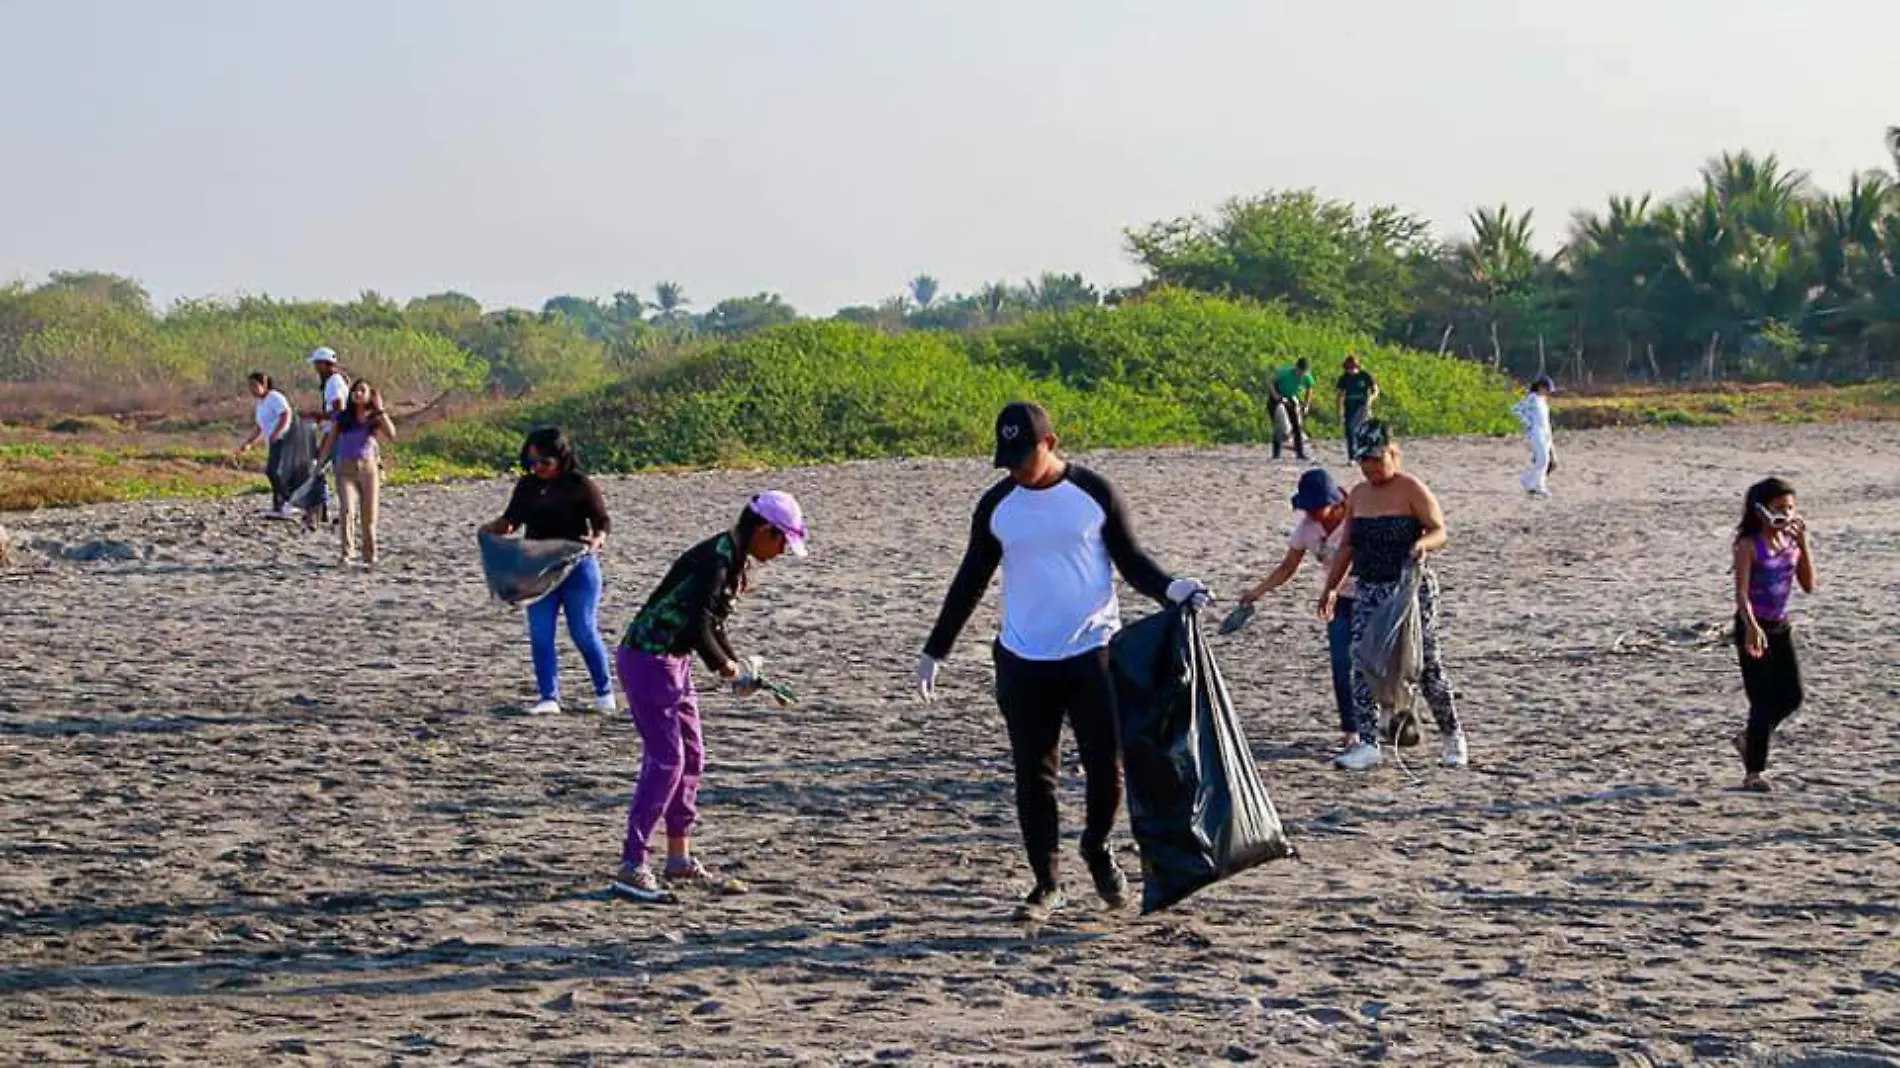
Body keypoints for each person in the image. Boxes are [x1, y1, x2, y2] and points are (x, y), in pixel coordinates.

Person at [914, 402, 1211, 920]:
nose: (1017, 468)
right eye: (1008, 458)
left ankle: (1096, 847)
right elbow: (971, 578)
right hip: (1023, 659)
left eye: (1024, 455)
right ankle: (1046, 884)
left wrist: (1171, 588)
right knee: (1034, 776)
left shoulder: (1093, 493)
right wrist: (935, 648)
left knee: (1106, 769)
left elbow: (1131, 560)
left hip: (1093, 653)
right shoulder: (997, 506)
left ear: (1050, 444)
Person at [609, 491, 810, 901]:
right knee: (666, 761)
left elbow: (713, 625)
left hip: (673, 662)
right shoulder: (716, 561)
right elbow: (699, 623)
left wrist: (739, 668)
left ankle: (678, 857)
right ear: (762, 530)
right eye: (782, 541)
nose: (782, 551)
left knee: (692, 755)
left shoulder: (731, 559)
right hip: (648, 660)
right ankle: (633, 864)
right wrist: (725, 669)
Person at [1316, 422, 1468, 771]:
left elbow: (1439, 531)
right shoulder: (1358, 495)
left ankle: (1452, 735)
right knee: (1363, 663)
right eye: (1362, 461)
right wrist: (1331, 589)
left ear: (1392, 453)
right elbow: (1348, 546)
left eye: (1374, 458)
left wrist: (1420, 544)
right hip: (1369, 588)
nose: (1369, 467)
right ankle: (1369, 743)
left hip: (1408, 589)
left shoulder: (1410, 488)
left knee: (1424, 664)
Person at [479, 427, 616, 716]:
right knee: (541, 634)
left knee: (583, 630)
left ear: (560, 458)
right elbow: (511, 521)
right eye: (531, 462)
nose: (537, 468)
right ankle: (548, 696)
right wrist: (490, 530)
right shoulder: (527, 486)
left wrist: (598, 539)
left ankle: (604, 692)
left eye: (544, 462)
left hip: (576, 565)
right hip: (537, 567)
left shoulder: (579, 484)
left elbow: (601, 520)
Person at [1237, 469, 1356, 748]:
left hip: (1371, 594)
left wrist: (1331, 589)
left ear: (1335, 501)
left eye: (1318, 507)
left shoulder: (1355, 520)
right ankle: (1352, 728)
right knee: (1341, 662)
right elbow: (1288, 567)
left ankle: (1387, 714)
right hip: (1337, 601)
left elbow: (1354, 559)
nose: (1313, 513)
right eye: (1308, 507)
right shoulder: (1306, 529)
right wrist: (1257, 591)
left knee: (1374, 661)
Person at [1730, 478, 1814, 793]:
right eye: (1779, 509)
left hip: (1780, 626)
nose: (1786, 515)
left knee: (1791, 696)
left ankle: (1749, 740)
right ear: (1760, 510)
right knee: (1761, 701)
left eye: (1791, 508)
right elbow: (1741, 593)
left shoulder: (1791, 544)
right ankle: (1754, 771)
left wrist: (1804, 544)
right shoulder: (1749, 545)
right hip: (1753, 626)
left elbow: (1809, 585)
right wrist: (1751, 626)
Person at [314, 379, 396, 566]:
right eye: (355, 391)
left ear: (369, 395)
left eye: (362, 391)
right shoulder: (343, 417)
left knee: (369, 514)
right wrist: (319, 463)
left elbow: (392, 435)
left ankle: (369, 553)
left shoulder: (374, 418)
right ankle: (346, 553)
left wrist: (380, 410)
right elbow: (330, 441)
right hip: (345, 468)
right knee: (347, 510)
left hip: (368, 468)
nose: (358, 394)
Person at [234, 372, 295, 515]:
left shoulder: (274, 397)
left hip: (283, 439)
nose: (252, 389)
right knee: (274, 472)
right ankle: (279, 505)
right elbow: (260, 426)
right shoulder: (261, 404)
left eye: (254, 385)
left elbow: (286, 414)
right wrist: (248, 443)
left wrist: (277, 432)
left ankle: (287, 501)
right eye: (250, 386)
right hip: (273, 441)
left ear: (264, 384)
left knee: (274, 471)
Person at [306, 347, 350, 524]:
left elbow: (338, 410)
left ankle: (322, 509)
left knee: (319, 468)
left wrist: (316, 416)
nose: (316, 368)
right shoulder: (333, 382)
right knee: (322, 469)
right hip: (334, 431)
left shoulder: (333, 382)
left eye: (317, 364)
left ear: (326, 364)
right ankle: (322, 509)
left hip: (336, 433)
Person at [1513, 375, 1555, 497]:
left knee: (1545, 460)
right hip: (1536, 432)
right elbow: (1515, 409)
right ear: (1540, 387)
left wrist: (1550, 436)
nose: (1548, 392)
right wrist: (1528, 423)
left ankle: (1529, 481)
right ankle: (1538, 485)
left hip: (1545, 432)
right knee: (1543, 459)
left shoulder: (1542, 400)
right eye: (1547, 389)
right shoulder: (1533, 398)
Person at [1269, 358, 1315, 460]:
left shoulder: (1307, 377)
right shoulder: (1284, 373)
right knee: (1279, 425)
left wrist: (1306, 404)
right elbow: (1270, 382)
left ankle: (1300, 453)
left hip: (1291, 398)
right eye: (1300, 372)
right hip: (1277, 397)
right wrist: (1275, 395)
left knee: (1297, 426)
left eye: (1304, 372)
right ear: (1296, 368)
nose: (1301, 375)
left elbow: (1310, 389)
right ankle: (1276, 453)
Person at [1335, 355, 1379, 461]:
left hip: (1362, 405)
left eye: (1354, 367)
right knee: (1349, 430)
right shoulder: (1344, 378)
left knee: (1358, 428)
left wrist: (1370, 400)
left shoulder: (1365, 375)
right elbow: (1340, 395)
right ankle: (1352, 456)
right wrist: (1339, 411)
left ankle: (1366, 452)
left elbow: (1375, 390)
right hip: (1349, 405)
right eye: (1349, 368)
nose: (1352, 370)